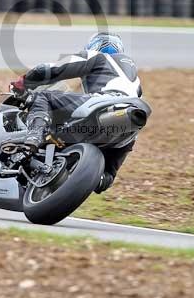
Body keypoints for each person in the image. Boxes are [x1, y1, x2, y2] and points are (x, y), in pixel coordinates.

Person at [9, 31, 142, 193]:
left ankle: (34, 136)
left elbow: (53, 69)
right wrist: (92, 179)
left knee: (43, 98)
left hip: (104, 102)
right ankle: (95, 179)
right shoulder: (134, 81)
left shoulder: (99, 57)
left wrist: (22, 83)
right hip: (129, 126)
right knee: (108, 173)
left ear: (95, 46)